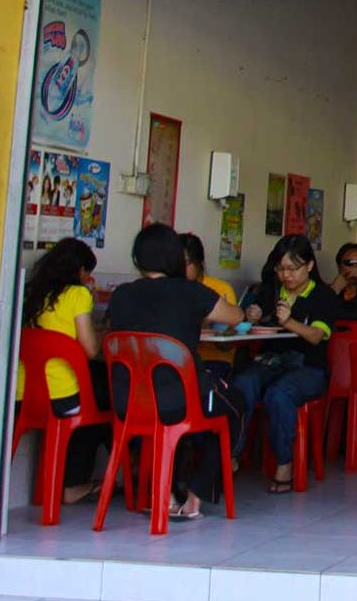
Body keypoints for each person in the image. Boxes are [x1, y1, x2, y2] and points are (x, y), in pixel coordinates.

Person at [107, 223, 245, 520]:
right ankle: (195, 496)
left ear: (137, 259)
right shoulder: (190, 292)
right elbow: (235, 316)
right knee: (234, 405)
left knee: (178, 414)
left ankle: (166, 493)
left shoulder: (120, 295)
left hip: (128, 403)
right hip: (179, 402)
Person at [233, 235, 340, 493]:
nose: (286, 275)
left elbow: (316, 336)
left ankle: (284, 462)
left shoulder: (323, 296)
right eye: (281, 268)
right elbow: (253, 320)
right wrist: (253, 315)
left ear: (310, 266)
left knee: (279, 395)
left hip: (308, 368)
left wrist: (289, 322)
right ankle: (231, 455)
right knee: (242, 383)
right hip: (271, 362)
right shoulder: (271, 290)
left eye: (293, 268)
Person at [17, 238, 110, 505]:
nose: (88, 278)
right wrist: (105, 334)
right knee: (107, 408)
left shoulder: (30, 293)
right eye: (87, 272)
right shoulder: (78, 294)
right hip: (61, 398)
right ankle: (73, 484)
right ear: (79, 270)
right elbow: (91, 350)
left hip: (23, 397)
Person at [185, 233, 238, 377]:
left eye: (186, 263)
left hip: (215, 359)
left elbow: (228, 344)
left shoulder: (221, 289)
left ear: (199, 262)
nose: (180, 269)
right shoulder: (172, 289)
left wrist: (214, 324)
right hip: (180, 361)